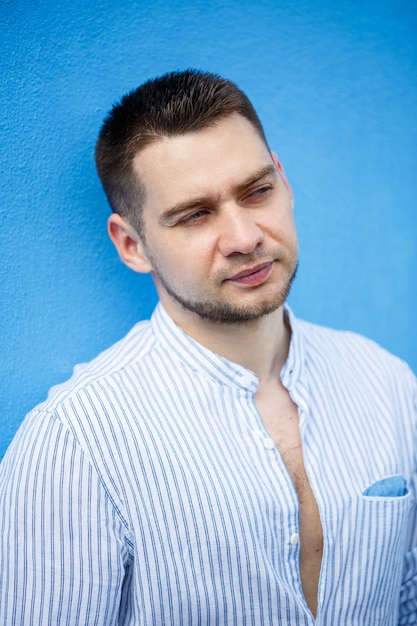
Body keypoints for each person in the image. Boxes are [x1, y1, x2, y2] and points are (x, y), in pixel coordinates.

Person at [0, 69, 416, 626]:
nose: (245, 238)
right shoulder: (76, 445)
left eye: (257, 190)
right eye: (195, 214)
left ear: (284, 184)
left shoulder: (386, 383)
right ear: (132, 244)